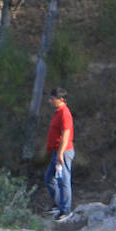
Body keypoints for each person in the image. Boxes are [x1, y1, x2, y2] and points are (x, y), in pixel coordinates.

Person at [44, 87, 74, 221]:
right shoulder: (57, 112)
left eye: (52, 99)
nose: (50, 101)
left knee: (64, 181)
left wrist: (60, 154)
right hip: (56, 152)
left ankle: (65, 210)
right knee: (49, 178)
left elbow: (66, 134)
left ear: (61, 99)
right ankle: (58, 204)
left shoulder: (64, 113)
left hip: (63, 152)